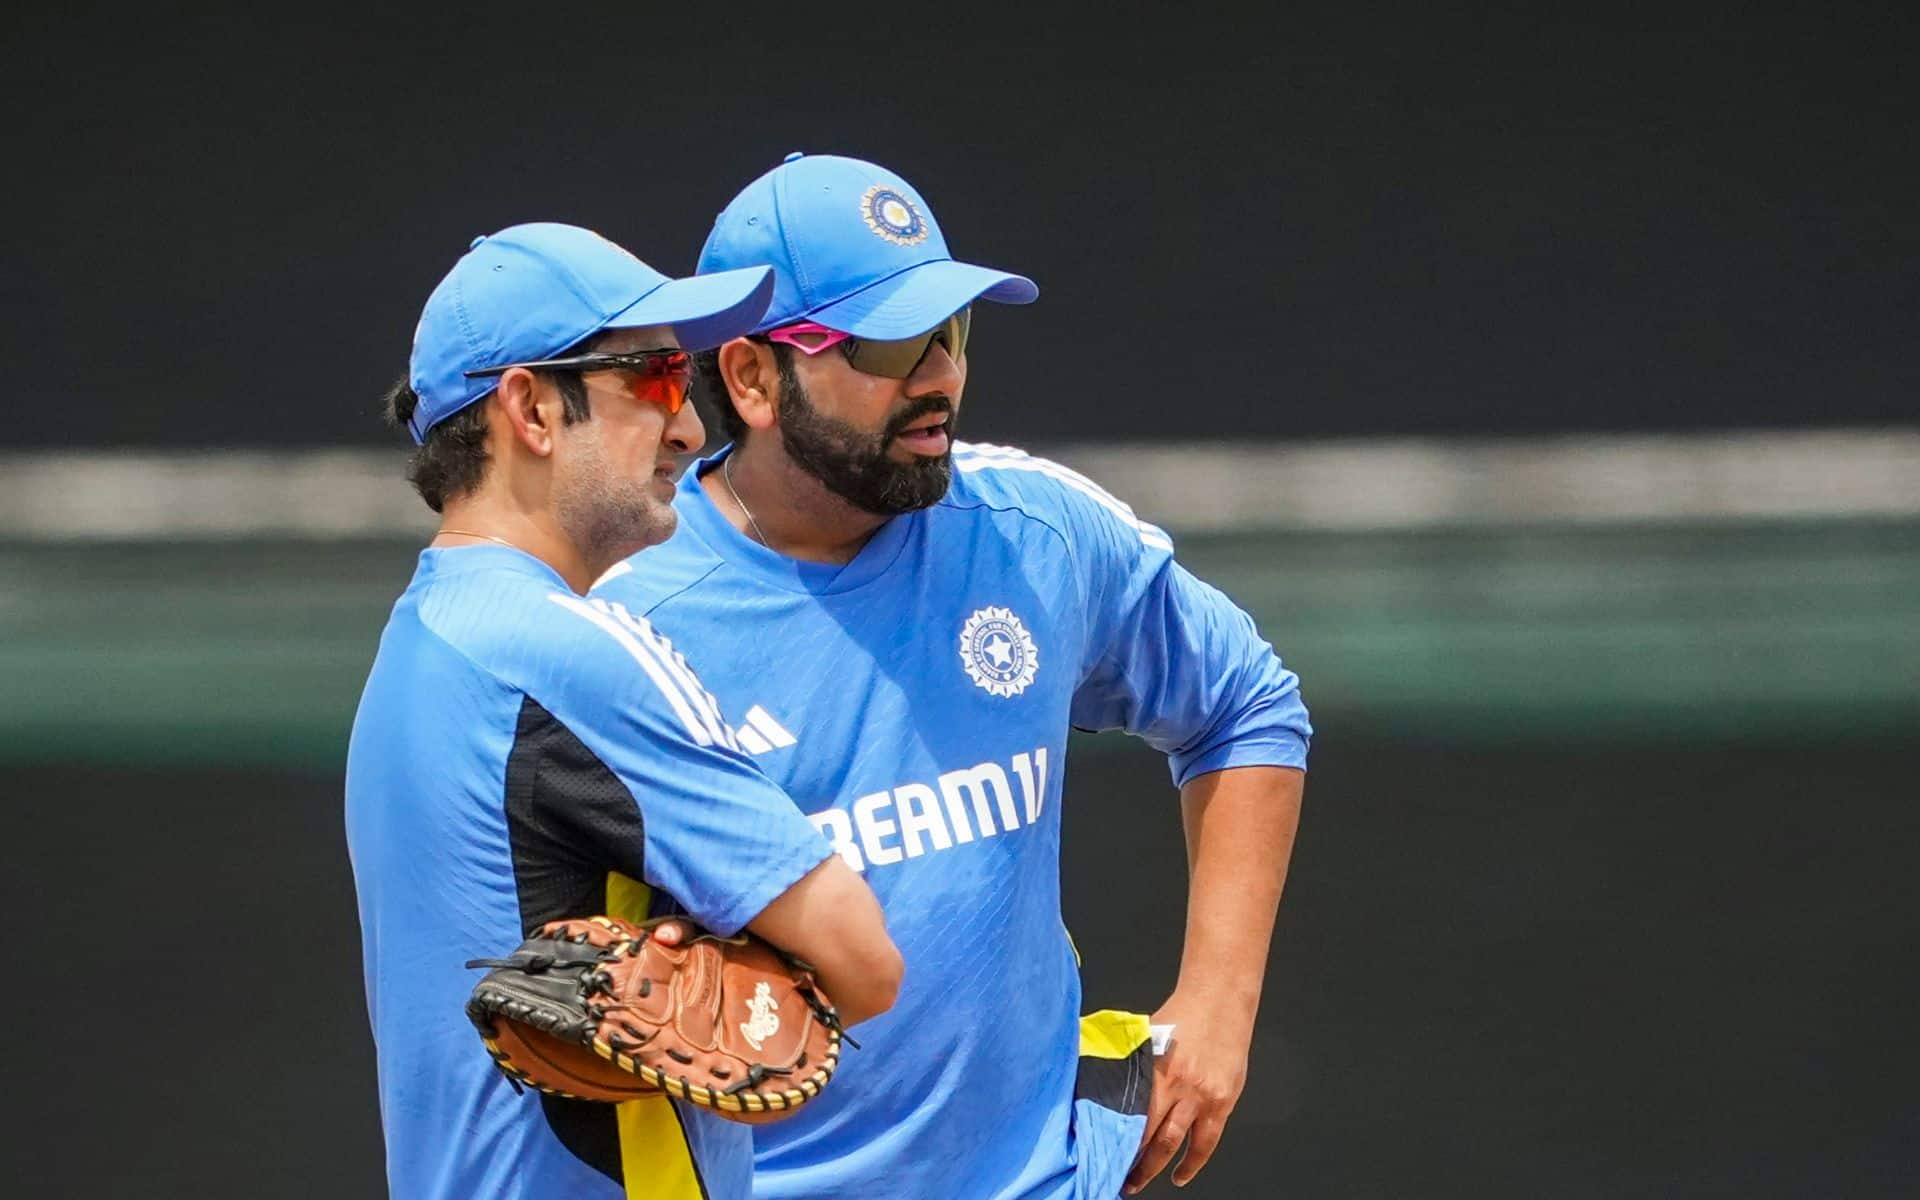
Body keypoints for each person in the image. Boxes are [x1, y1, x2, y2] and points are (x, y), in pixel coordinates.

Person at [593, 154, 1311, 1199]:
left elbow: (1246, 706)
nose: (939, 374)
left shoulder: (1033, 533)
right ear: (750, 377)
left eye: (954, 332)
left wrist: (1219, 1003)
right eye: (890, 342)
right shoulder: (622, 622)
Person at [344, 222, 903, 1200]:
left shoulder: (420, 639)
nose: (689, 427)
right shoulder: (576, 653)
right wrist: (742, 950)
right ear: (532, 409)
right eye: (652, 379)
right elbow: (863, 963)